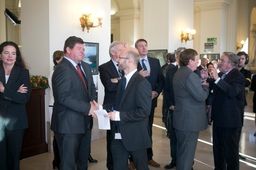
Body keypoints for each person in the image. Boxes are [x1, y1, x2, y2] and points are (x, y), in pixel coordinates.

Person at [51, 36, 99, 170]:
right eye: (79, 48)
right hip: (68, 125)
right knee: (68, 163)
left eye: (83, 49)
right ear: (68, 49)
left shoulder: (85, 67)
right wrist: (88, 107)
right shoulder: (62, 69)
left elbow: (91, 88)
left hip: (85, 123)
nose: (83, 51)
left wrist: (93, 102)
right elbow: (63, 97)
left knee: (83, 161)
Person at [106, 47, 152, 170]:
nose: (117, 60)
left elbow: (144, 111)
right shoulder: (122, 81)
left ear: (130, 61)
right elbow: (120, 104)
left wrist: (119, 116)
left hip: (135, 135)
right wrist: (100, 108)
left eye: (120, 58)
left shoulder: (141, 83)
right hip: (118, 135)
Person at [173, 49, 209, 170]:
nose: (198, 62)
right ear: (190, 61)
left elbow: (188, 86)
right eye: (196, 59)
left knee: (182, 152)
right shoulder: (190, 75)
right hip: (189, 121)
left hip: (181, 119)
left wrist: (200, 80)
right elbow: (201, 96)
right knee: (187, 155)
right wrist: (206, 86)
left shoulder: (179, 72)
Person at [210, 52, 245, 170]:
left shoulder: (238, 76)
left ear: (231, 64)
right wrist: (206, 78)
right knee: (218, 150)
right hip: (219, 118)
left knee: (230, 152)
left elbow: (231, 92)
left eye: (222, 60)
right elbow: (216, 87)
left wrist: (217, 79)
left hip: (230, 121)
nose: (219, 63)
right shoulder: (221, 74)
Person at [0, 41, 31, 170]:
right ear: (0, 54)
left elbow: (24, 98)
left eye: (13, 53)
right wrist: (14, 93)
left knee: (14, 157)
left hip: (16, 121)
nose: (10, 56)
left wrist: (3, 90)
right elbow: (17, 97)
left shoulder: (23, 73)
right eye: (6, 52)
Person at [135, 38, 164, 167]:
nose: (144, 48)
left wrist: (156, 92)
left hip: (150, 103)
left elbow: (161, 81)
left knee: (148, 130)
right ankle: (133, 160)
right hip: (135, 103)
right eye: (141, 46)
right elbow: (126, 82)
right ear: (136, 49)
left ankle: (148, 157)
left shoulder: (155, 62)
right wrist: (137, 75)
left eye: (145, 45)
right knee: (135, 131)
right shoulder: (132, 62)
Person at [98, 41, 124, 170]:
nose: (122, 53)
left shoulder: (125, 65)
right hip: (111, 107)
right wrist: (122, 81)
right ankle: (111, 165)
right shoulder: (104, 67)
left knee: (124, 137)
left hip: (125, 108)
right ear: (113, 52)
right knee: (113, 138)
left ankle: (123, 163)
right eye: (120, 50)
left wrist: (117, 80)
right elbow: (109, 86)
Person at [163, 47, 185, 169]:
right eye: (180, 56)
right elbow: (167, 90)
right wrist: (170, 104)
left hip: (186, 111)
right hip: (173, 109)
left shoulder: (193, 70)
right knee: (174, 136)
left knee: (185, 139)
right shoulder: (171, 71)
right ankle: (174, 160)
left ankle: (187, 163)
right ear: (176, 57)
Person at [48, 50, 64, 169]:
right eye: (62, 58)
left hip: (59, 106)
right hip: (54, 106)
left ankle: (59, 160)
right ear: (57, 60)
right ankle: (57, 161)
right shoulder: (54, 73)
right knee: (57, 135)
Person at [237, 51, 251, 161]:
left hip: (240, 102)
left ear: (245, 60)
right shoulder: (230, 70)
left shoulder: (247, 72)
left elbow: (246, 83)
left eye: (242, 58)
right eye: (238, 58)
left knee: (238, 127)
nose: (240, 60)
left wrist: (235, 76)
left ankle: (235, 150)